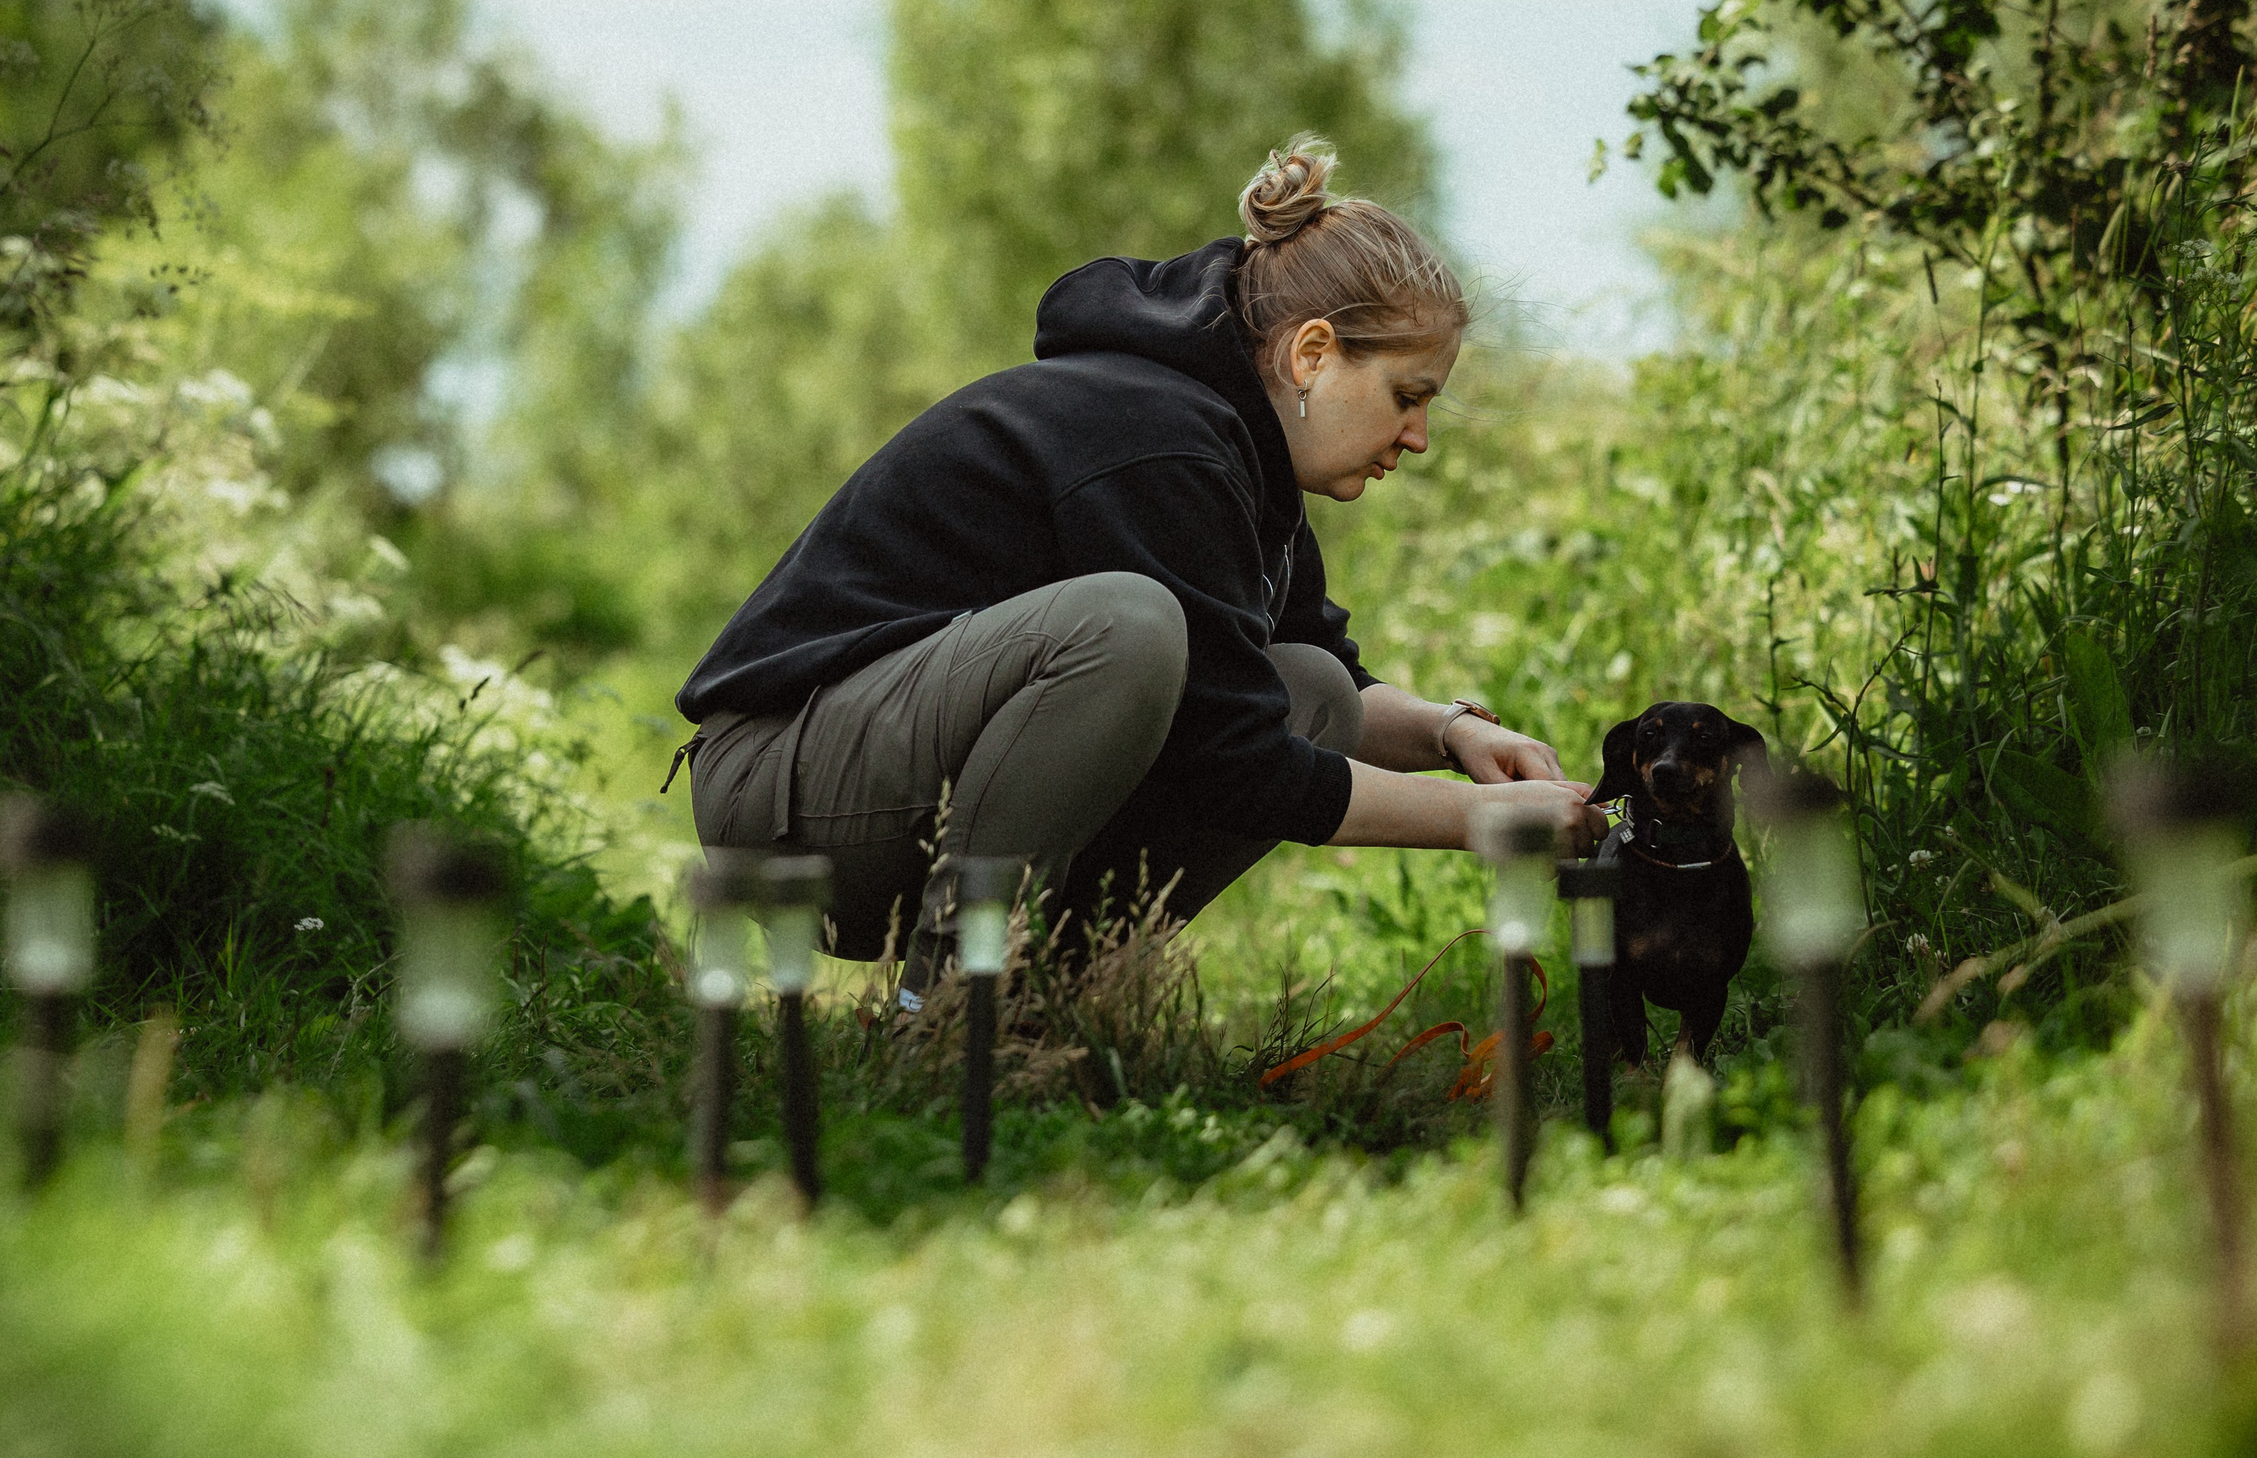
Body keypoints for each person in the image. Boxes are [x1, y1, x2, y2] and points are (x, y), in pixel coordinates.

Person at [673, 137, 1601, 993]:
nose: (1421, 436)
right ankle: (953, 1009)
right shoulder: (1158, 442)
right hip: (783, 797)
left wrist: (1451, 735)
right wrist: (1489, 825)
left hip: (889, 784)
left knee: (1311, 687)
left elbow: (1323, 691)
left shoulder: (1244, 463)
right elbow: (1242, 765)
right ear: (1313, 353)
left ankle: (1040, 1009)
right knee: (1127, 627)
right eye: (1408, 395)